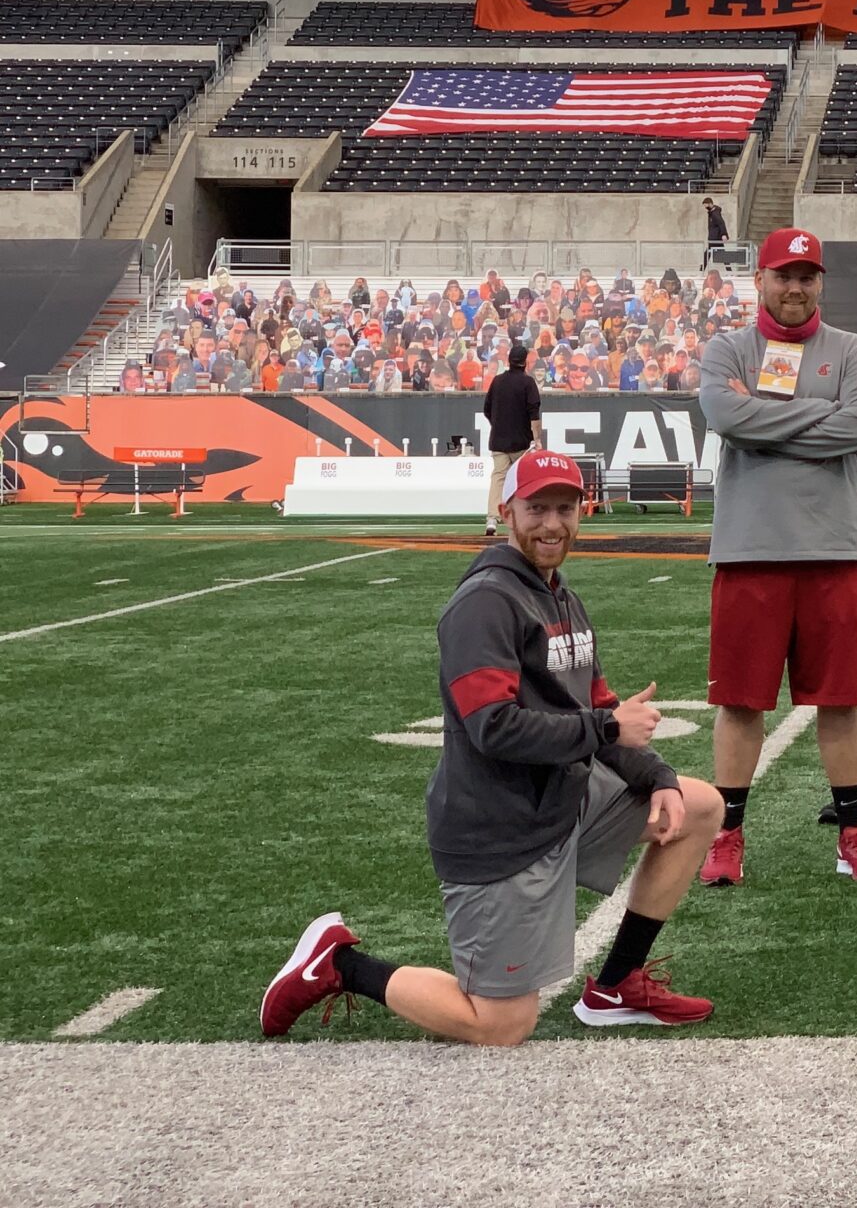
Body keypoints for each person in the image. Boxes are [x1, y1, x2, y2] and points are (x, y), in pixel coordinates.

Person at [260, 451, 722, 1043]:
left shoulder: (561, 597)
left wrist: (655, 772)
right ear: (507, 512)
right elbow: (495, 728)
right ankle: (338, 966)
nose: (551, 523)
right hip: (499, 832)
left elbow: (598, 709)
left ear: (584, 512)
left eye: (565, 508)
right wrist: (608, 729)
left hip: (557, 804)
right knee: (502, 1026)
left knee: (695, 804)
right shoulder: (485, 601)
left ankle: (617, 984)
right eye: (537, 509)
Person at [696, 229, 857, 886]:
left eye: (808, 275)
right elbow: (726, 417)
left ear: (820, 283)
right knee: (741, 702)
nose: (796, 286)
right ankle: (727, 836)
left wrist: (768, 419)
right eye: (784, 274)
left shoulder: (853, 350)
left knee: (843, 702)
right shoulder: (728, 348)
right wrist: (818, 417)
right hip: (750, 553)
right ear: (762, 280)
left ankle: (853, 835)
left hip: (836, 551)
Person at [480, 341, 542, 539]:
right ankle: (525, 518)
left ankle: (492, 518)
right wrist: (537, 439)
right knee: (523, 480)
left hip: (498, 440)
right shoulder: (527, 383)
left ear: (508, 361)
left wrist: (498, 425)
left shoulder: (497, 381)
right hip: (520, 442)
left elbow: (486, 410)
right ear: (526, 363)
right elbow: (534, 415)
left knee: (498, 478)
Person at [702, 197, 730, 270]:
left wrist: (724, 234)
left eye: (706, 205)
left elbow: (721, 223)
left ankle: (701, 270)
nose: (705, 207)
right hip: (714, 237)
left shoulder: (715, 214)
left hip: (715, 238)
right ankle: (729, 271)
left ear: (710, 204)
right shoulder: (712, 213)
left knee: (708, 254)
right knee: (717, 254)